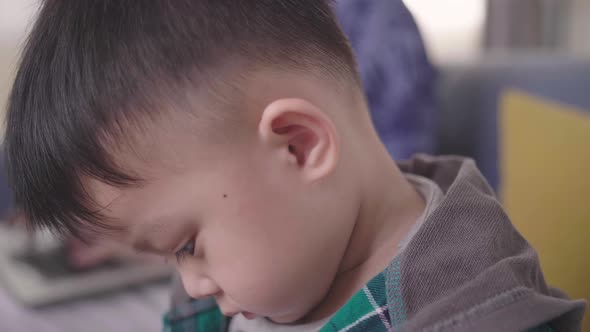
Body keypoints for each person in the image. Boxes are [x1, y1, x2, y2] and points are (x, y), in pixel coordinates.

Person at [4, 1, 585, 332]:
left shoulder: (483, 315)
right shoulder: (251, 279)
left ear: (299, 147)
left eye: (185, 244)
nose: (190, 282)